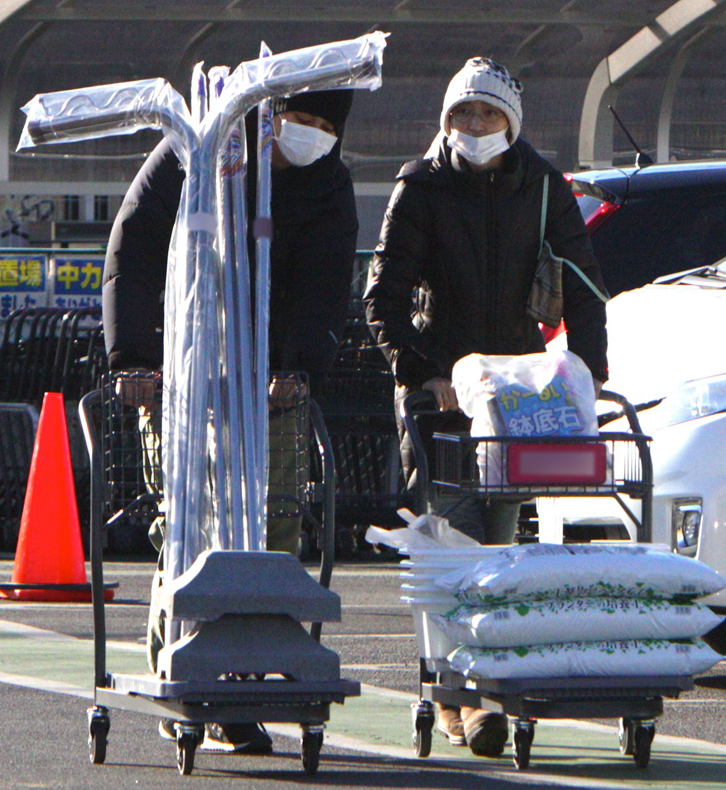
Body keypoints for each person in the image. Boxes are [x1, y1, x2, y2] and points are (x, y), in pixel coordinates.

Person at [363, 57, 609, 757]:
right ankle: (457, 700)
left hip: (513, 392)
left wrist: (585, 371)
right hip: (441, 392)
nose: (474, 126)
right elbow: (383, 296)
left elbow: (585, 278)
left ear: (511, 122)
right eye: (463, 114)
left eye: (488, 114)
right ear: (446, 121)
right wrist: (424, 372)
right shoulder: (421, 185)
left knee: (499, 543)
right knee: (452, 538)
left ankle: (488, 679)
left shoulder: (540, 185)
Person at [103, 88, 358, 754]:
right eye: (299, 117)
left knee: (272, 520)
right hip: (180, 370)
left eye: (324, 125)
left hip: (271, 382)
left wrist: (299, 367)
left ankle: (245, 677)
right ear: (266, 112)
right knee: (187, 523)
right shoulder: (198, 150)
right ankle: (184, 665)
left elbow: (325, 286)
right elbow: (133, 248)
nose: (308, 134)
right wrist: (133, 355)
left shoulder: (327, 183)